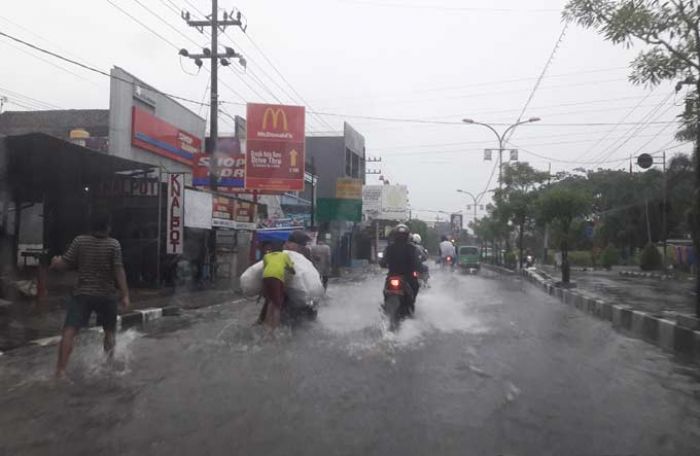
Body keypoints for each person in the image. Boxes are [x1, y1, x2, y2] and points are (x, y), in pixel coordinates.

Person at [50, 210, 130, 378]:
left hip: (82, 295)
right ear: (108, 227)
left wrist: (55, 262)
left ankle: (61, 370)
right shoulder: (114, 245)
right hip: (106, 295)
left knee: (69, 331)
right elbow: (118, 270)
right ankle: (108, 366)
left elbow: (65, 263)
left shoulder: (80, 241)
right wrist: (125, 294)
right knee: (109, 332)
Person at [380, 224, 421, 307]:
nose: (401, 237)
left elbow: (383, 262)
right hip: (402, 276)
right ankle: (410, 304)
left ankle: (410, 303)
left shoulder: (390, 247)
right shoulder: (412, 248)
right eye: (400, 235)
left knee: (415, 285)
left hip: (398, 276)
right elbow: (417, 262)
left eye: (402, 235)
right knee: (415, 286)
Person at [261, 241, 295, 329]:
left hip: (266, 277)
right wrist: (292, 271)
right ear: (282, 249)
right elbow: (292, 269)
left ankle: (266, 325)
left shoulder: (266, 256)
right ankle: (274, 328)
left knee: (270, 301)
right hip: (276, 278)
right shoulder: (284, 255)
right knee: (277, 305)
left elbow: (265, 268)